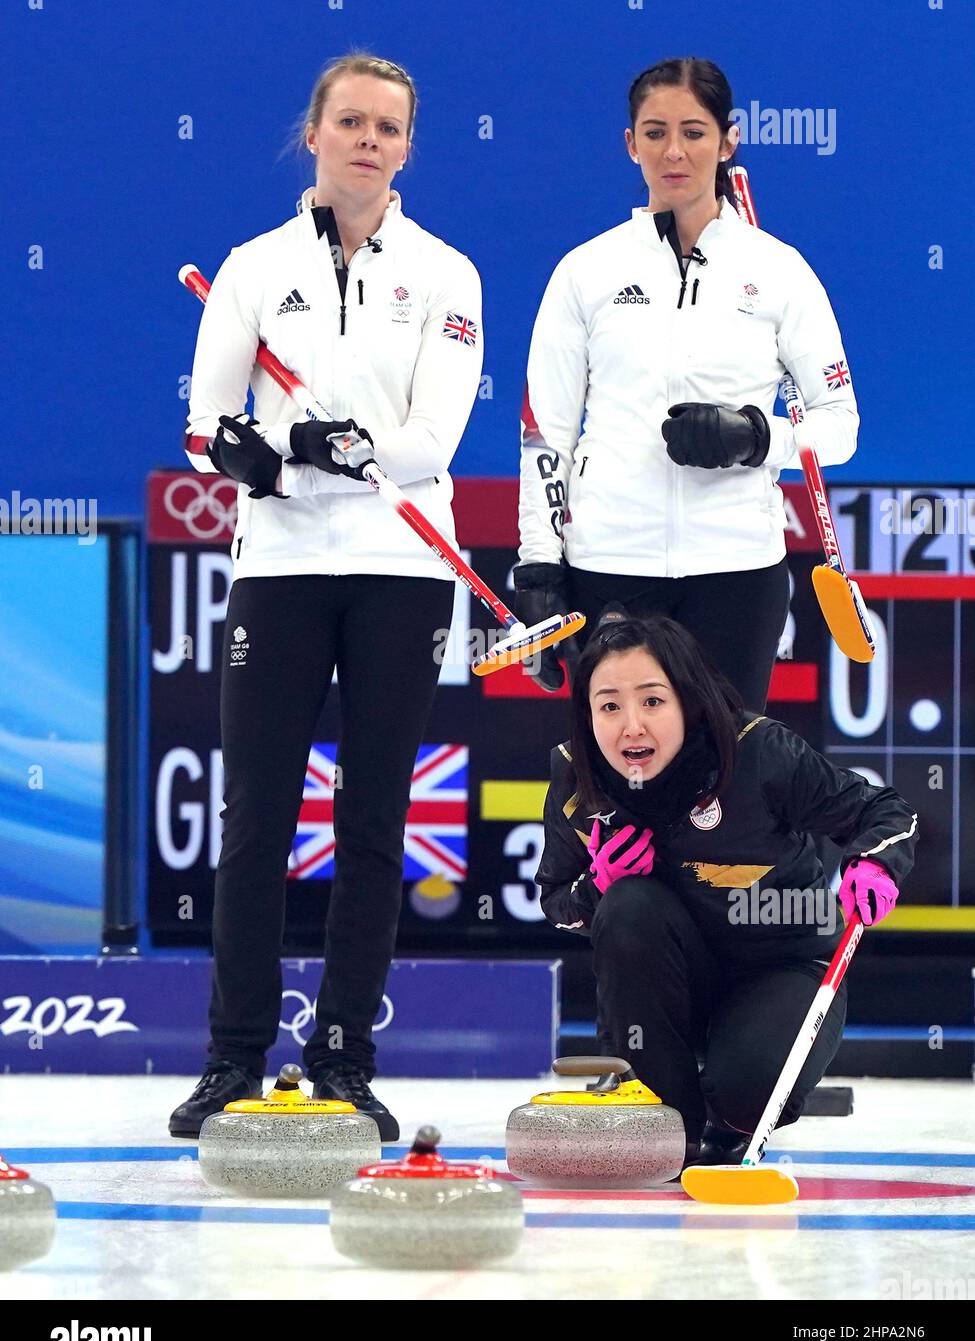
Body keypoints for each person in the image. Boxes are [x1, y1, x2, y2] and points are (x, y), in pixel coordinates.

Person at [169, 53, 483, 1141]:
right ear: (314, 134)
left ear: (407, 148)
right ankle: (232, 1058)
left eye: (386, 127)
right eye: (349, 121)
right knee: (258, 817)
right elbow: (206, 428)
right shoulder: (252, 268)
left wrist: (314, 450)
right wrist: (257, 454)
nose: (367, 141)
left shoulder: (446, 273)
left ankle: (345, 1054)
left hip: (403, 571)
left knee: (373, 816)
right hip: (281, 568)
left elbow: (430, 442)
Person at [514, 57, 858, 709]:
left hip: (737, 571)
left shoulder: (779, 271)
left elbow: (839, 425)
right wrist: (538, 566)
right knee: (619, 767)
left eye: (694, 132)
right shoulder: (585, 272)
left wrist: (755, 437)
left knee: (726, 766)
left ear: (728, 141)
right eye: (655, 132)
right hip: (608, 568)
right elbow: (544, 434)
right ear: (630, 144)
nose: (673, 151)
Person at [535, 612, 917, 1163]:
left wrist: (875, 864)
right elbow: (556, 901)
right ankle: (668, 1119)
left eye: (652, 700)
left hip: (784, 965)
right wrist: (598, 888)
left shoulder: (757, 752)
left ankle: (731, 1105)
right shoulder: (578, 775)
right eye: (609, 706)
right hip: (673, 982)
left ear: (688, 701)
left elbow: (884, 811)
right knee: (627, 905)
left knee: (747, 1096)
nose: (631, 726)